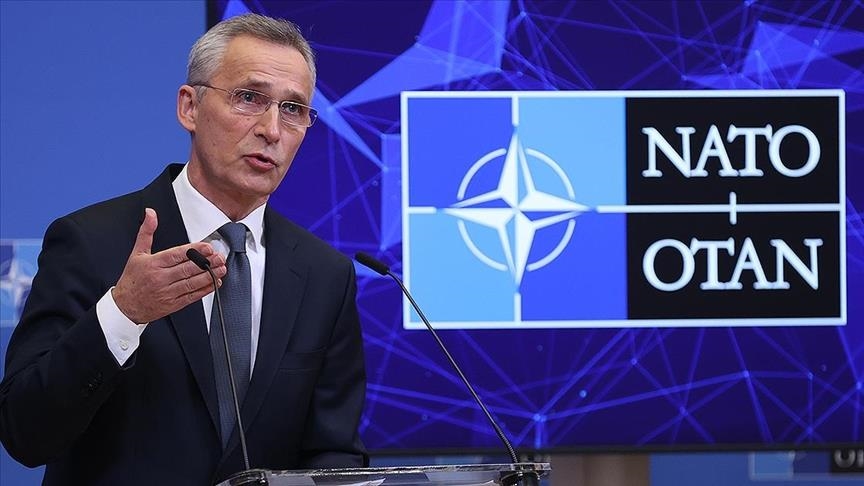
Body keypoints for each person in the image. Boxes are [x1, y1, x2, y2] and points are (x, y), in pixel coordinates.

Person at [0, 13, 367, 485]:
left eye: (293, 109)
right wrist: (124, 312)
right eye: (249, 98)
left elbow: (333, 454)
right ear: (189, 107)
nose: (272, 130)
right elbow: (25, 432)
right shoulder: (90, 241)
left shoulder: (325, 275)